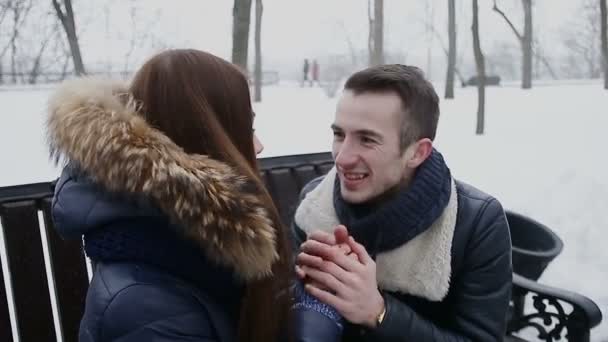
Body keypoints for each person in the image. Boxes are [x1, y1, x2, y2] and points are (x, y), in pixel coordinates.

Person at [46, 49, 328, 342]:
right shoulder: (146, 307)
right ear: (204, 136)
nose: (258, 146)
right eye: (247, 127)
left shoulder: (176, 247)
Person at [293, 64, 513, 341]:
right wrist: (298, 287)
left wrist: (380, 312)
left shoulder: (476, 223)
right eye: (339, 135)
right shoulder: (313, 206)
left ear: (417, 153)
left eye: (367, 139)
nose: (342, 158)